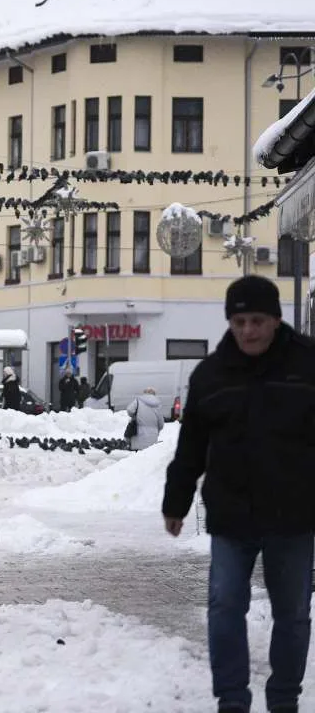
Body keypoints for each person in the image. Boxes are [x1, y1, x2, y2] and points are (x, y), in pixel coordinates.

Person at [163, 275, 315, 713]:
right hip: (232, 516)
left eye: (257, 321)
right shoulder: (210, 375)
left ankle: (284, 699)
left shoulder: (308, 366)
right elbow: (191, 445)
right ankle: (232, 700)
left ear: (275, 320)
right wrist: (176, 502)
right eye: (239, 321)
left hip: (294, 516)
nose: (248, 331)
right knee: (225, 607)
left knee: (293, 616)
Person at [125, 386, 165, 451]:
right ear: (154, 394)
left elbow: (130, 410)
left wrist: (134, 416)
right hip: (152, 437)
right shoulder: (158, 404)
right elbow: (161, 424)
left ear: (144, 393)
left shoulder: (138, 401)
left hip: (138, 435)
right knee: (148, 456)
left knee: (137, 457)